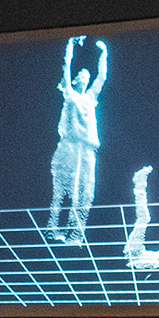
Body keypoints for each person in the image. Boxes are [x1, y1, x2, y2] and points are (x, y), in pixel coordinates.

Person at [45, 34, 108, 245]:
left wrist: (103, 53)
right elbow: (66, 66)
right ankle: (52, 230)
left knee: (86, 192)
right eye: (80, 74)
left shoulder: (90, 98)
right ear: (74, 80)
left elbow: (102, 76)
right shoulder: (70, 94)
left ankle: (76, 235)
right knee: (62, 191)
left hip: (88, 150)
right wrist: (70, 45)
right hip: (69, 148)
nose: (84, 76)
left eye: (85, 75)